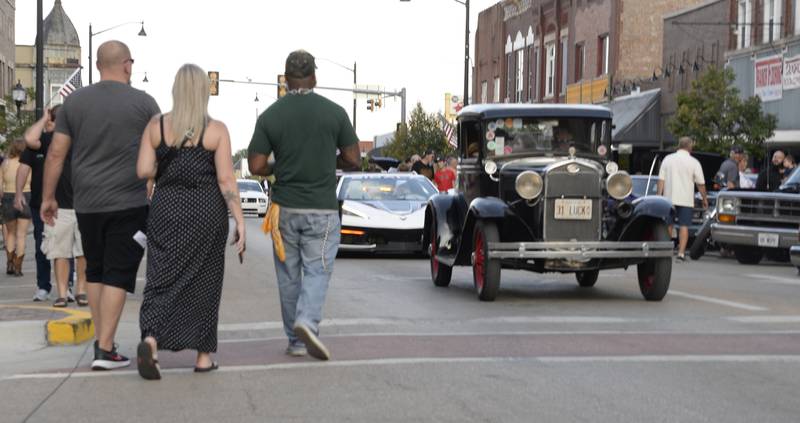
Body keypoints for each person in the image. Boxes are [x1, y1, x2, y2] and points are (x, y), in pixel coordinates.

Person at [41, 40, 161, 371]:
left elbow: (55, 153)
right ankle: (105, 348)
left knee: (95, 269)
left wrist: (48, 197)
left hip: (87, 202)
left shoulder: (74, 103)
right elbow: (159, 150)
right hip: (129, 201)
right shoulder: (144, 103)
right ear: (127, 64)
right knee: (119, 273)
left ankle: (102, 340)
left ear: (97, 66)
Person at [134, 64, 246, 380]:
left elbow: (143, 170)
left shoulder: (155, 126)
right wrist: (240, 220)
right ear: (202, 92)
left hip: (166, 210)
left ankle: (151, 340)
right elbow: (226, 179)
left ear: (175, 90)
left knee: (160, 278)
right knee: (206, 283)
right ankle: (202, 357)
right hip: (206, 212)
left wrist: (166, 168)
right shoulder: (216, 130)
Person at [248, 50, 361, 360]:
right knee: (317, 271)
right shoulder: (334, 113)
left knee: (288, 276)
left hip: (284, 209)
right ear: (314, 77)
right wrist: (328, 159)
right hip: (322, 210)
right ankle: (306, 322)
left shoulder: (271, 116)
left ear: (285, 80)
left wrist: (280, 164)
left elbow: (256, 165)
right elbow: (353, 158)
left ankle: (296, 341)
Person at [18, 106, 86, 307]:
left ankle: (81, 291)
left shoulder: (83, 138)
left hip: (84, 203)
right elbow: (30, 139)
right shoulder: (49, 139)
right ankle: (62, 293)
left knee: (83, 252)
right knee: (60, 252)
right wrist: (44, 118)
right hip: (59, 206)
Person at [16, 108, 58, 301]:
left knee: (70, 246)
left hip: (67, 201)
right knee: (42, 245)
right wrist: (18, 193)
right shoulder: (38, 144)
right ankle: (43, 286)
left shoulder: (70, 139)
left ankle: (68, 285)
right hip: (39, 204)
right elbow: (23, 169)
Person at [657, 136, 709, 261]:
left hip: (668, 199)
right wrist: (704, 198)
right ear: (690, 146)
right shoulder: (694, 162)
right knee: (684, 226)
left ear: (679, 145)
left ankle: (666, 251)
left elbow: (661, 180)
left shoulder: (667, 159)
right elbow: (700, 183)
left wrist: (659, 196)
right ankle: (681, 253)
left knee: (668, 225)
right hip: (685, 199)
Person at [1, 139, 32, 277]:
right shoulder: (28, 164)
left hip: (8, 197)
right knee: (21, 234)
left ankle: (9, 263)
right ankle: (18, 267)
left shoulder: (5, 163)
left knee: (11, 233)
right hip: (25, 196)